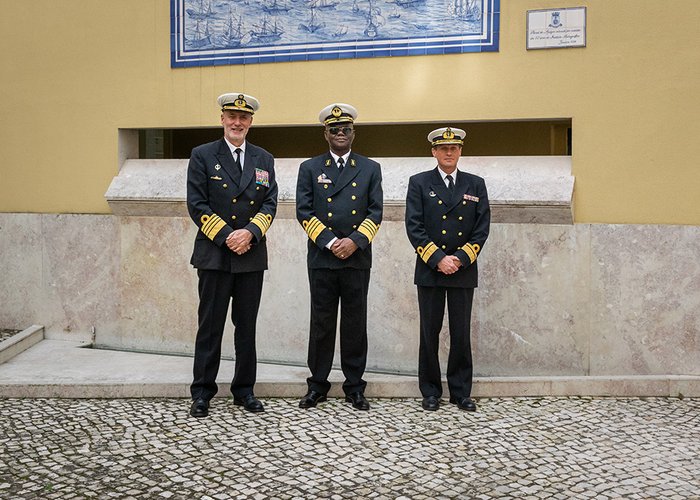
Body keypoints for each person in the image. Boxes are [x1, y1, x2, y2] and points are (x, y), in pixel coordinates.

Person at [186, 93, 278, 417]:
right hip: (214, 255)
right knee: (210, 325)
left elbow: (270, 202)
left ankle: (244, 390)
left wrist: (250, 233)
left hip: (250, 255)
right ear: (222, 118)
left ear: (251, 121)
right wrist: (228, 236)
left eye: (243, 117)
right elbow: (196, 204)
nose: (237, 122)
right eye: (231, 116)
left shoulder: (264, 158)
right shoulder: (202, 155)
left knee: (246, 327)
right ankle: (202, 392)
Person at [295, 103, 383, 411]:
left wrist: (354, 241)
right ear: (326, 134)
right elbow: (303, 212)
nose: (340, 133)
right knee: (321, 322)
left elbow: (375, 212)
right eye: (334, 129)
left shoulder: (370, 168)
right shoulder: (310, 168)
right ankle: (317, 384)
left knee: (354, 323)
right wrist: (332, 241)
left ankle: (355, 386)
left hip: (357, 258)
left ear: (353, 133)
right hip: (323, 257)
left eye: (345, 129)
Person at [405, 127, 490, 412]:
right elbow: (414, 226)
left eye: (454, 148)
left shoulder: (475, 184)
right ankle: (430, 391)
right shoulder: (419, 182)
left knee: (461, 333)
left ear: (460, 151)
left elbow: (481, 229)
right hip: (430, 269)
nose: (449, 153)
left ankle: (461, 392)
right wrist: (439, 258)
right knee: (429, 333)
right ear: (434, 152)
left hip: (463, 271)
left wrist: (461, 259)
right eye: (443, 149)